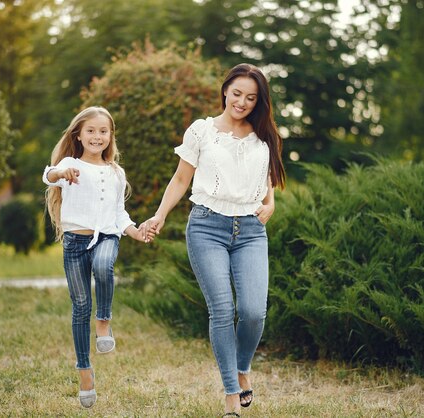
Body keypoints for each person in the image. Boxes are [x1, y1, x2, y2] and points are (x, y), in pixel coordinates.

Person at [143, 63, 286, 417]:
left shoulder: (263, 133)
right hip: (207, 227)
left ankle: (242, 367)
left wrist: (270, 203)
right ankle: (230, 394)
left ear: (259, 101)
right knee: (222, 310)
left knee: (253, 312)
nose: (242, 102)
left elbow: (267, 176)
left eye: (251, 97)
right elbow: (180, 180)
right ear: (225, 91)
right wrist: (159, 215)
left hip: (251, 231)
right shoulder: (202, 132)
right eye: (237, 93)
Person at [43, 106, 153, 408]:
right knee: (79, 307)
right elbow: (48, 175)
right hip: (75, 243)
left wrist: (135, 232)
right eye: (90, 130)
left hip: (106, 235)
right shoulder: (70, 164)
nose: (97, 136)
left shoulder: (116, 172)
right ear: (78, 134)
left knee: (105, 266)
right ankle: (84, 370)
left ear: (110, 136)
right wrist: (61, 172)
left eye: (103, 131)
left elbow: (119, 214)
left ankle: (104, 320)